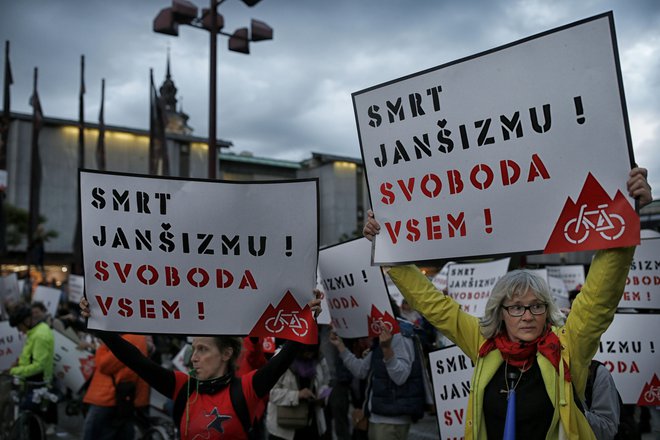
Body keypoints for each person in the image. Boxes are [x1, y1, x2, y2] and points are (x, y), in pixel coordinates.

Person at [362, 167, 652, 439]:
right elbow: (433, 305)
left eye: (536, 306)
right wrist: (389, 251)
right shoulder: (482, 342)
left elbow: (597, 301)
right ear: (500, 313)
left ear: (547, 312)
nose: (527, 315)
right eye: (516, 307)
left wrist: (625, 219)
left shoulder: (567, 349)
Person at [80, 292, 323, 440]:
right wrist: (97, 323)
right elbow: (135, 360)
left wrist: (309, 318)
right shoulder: (184, 387)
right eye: (194, 349)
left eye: (203, 349)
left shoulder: (246, 389)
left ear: (227, 353)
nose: (193, 357)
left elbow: (285, 357)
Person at [329, 319, 426, 440]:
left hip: (391, 421)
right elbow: (361, 370)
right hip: (378, 417)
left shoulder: (400, 336)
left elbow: (400, 377)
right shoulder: (382, 336)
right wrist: (340, 346)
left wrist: (386, 349)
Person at [82, 333, 151, 440]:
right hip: (122, 397)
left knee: (93, 434)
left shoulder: (130, 338)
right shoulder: (136, 337)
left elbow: (104, 364)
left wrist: (102, 346)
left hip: (109, 396)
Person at [6, 302, 58, 432]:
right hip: (31, 381)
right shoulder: (35, 331)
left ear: (27, 320)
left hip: (38, 384)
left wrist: (13, 370)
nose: (19, 330)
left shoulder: (40, 335)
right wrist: (18, 363)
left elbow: (38, 365)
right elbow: (30, 355)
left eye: (19, 326)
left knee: (28, 415)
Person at [266, 343, 331, 439]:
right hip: (285, 427)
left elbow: (327, 381)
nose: (309, 356)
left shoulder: (319, 360)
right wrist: (297, 395)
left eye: (311, 352)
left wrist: (322, 395)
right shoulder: (280, 359)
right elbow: (271, 393)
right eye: (306, 352)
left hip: (311, 424)